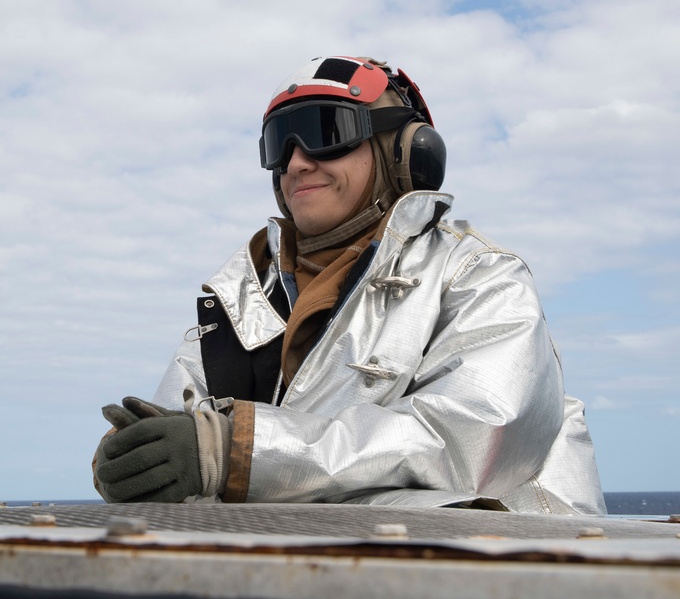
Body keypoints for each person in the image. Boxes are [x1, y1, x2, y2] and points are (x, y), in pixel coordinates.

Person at [93, 55, 606, 515]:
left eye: (325, 130)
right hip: (298, 584)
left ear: (405, 150)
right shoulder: (239, 299)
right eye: (280, 143)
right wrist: (137, 458)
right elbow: (188, 441)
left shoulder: (478, 276)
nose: (296, 161)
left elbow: (475, 437)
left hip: (502, 583)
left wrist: (235, 451)